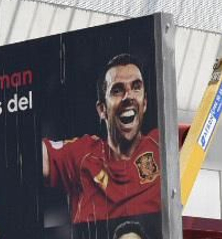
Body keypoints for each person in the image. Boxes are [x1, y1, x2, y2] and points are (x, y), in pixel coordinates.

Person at [42, 54, 162, 222]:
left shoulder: (163, 144)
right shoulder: (84, 155)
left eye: (136, 87)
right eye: (117, 90)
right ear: (102, 109)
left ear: (145, 103)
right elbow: (33, 154)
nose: (129, 96)